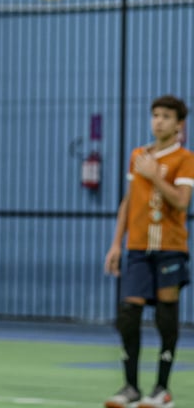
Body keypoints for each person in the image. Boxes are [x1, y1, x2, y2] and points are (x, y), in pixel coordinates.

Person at [103, 95, 194, 408]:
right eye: (155, 115)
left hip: (169, 248)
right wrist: (116, 243)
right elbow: (129, 202)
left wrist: (156, 175)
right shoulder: (138, 155)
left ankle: (162, 389)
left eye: (166, 116)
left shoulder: (185, 159)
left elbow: (181, 201)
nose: (159, 121)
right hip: (138, 248)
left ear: (179, 124)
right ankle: (130, 387)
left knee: (166, 317)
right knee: (129, 313)